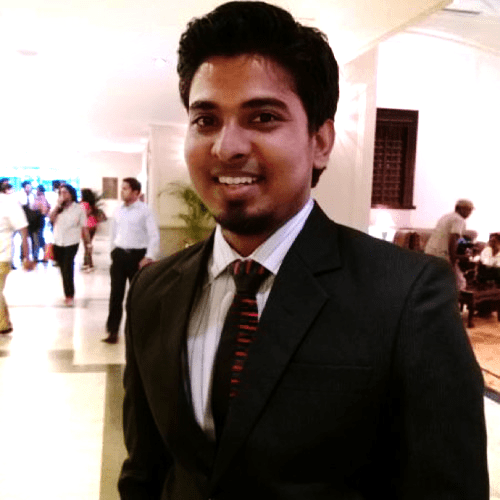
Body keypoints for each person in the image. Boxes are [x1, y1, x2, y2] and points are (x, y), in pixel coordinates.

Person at [118, 3, 489, 499]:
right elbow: (145, 469)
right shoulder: (152, 291)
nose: (227, 147)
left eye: (263, 117)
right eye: (205, 119)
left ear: (321, 141)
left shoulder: (406, 297)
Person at [103, 177, 159, 344]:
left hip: (138, 257)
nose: (122, 191)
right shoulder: (118, 210)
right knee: (116, 295)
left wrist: (148, 257)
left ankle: (136, 332)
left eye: (126, 188)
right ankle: (113, 331)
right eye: (122, 188)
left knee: (137, 296)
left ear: (136, 192)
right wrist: (113, 252)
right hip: (120, 255)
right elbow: (113, 233)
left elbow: (154, 235)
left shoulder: (145, 211)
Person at [1, 180, 34, 334]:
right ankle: (5, 322)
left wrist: (27, 257)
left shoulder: (10, 203)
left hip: (2, 255)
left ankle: (3, 325)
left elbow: (23, 230)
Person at [49, 184, 91, 307]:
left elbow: (84, 227)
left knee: (68, 267)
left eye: (65, 192)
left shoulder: (79, 209)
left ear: (72, 194)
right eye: (61, 193)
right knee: (63, 269)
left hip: (71, 243)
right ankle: (67, 293)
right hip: (58, 242)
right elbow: (51, 219)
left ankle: (70, 295)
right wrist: (58, 206)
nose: (63, 195)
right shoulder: (58, 207)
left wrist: (88, 244)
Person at [425, 199, 474, 289]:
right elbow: (453, 239)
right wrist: (453, 258)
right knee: (460, 283)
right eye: (469, 210)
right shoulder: (459, 220)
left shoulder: (446, 216)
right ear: (461, 209)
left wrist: (469, 243)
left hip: (430, 252)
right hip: (442, 255)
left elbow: (451, 237)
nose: (470, 213)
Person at [80, 188, 100, 272]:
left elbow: (82, 215)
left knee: (86, 246)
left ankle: (88, 264)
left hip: (86, 226)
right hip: (93, 225)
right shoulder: (92, 204)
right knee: (88, 245)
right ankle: (88, 263)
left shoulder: (83, 204)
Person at [32, 185, 51, 261]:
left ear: (40, 191)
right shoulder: (42, 198)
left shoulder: (41, 198)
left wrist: (40, 211)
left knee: (39, 237)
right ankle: (41, 255)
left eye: (37, 190)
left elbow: (41, 209)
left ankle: (44, 255)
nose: (36, 191)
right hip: (39, 218)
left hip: (39, 218)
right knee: (38, 237)